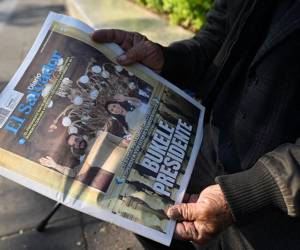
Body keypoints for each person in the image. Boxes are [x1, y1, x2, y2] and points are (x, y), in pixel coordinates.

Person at [91, 0, 300, 249]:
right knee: (129, 206)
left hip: (280, 204)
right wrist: (166, 59)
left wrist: (258, 188)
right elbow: (215, 38)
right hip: (206, 146)